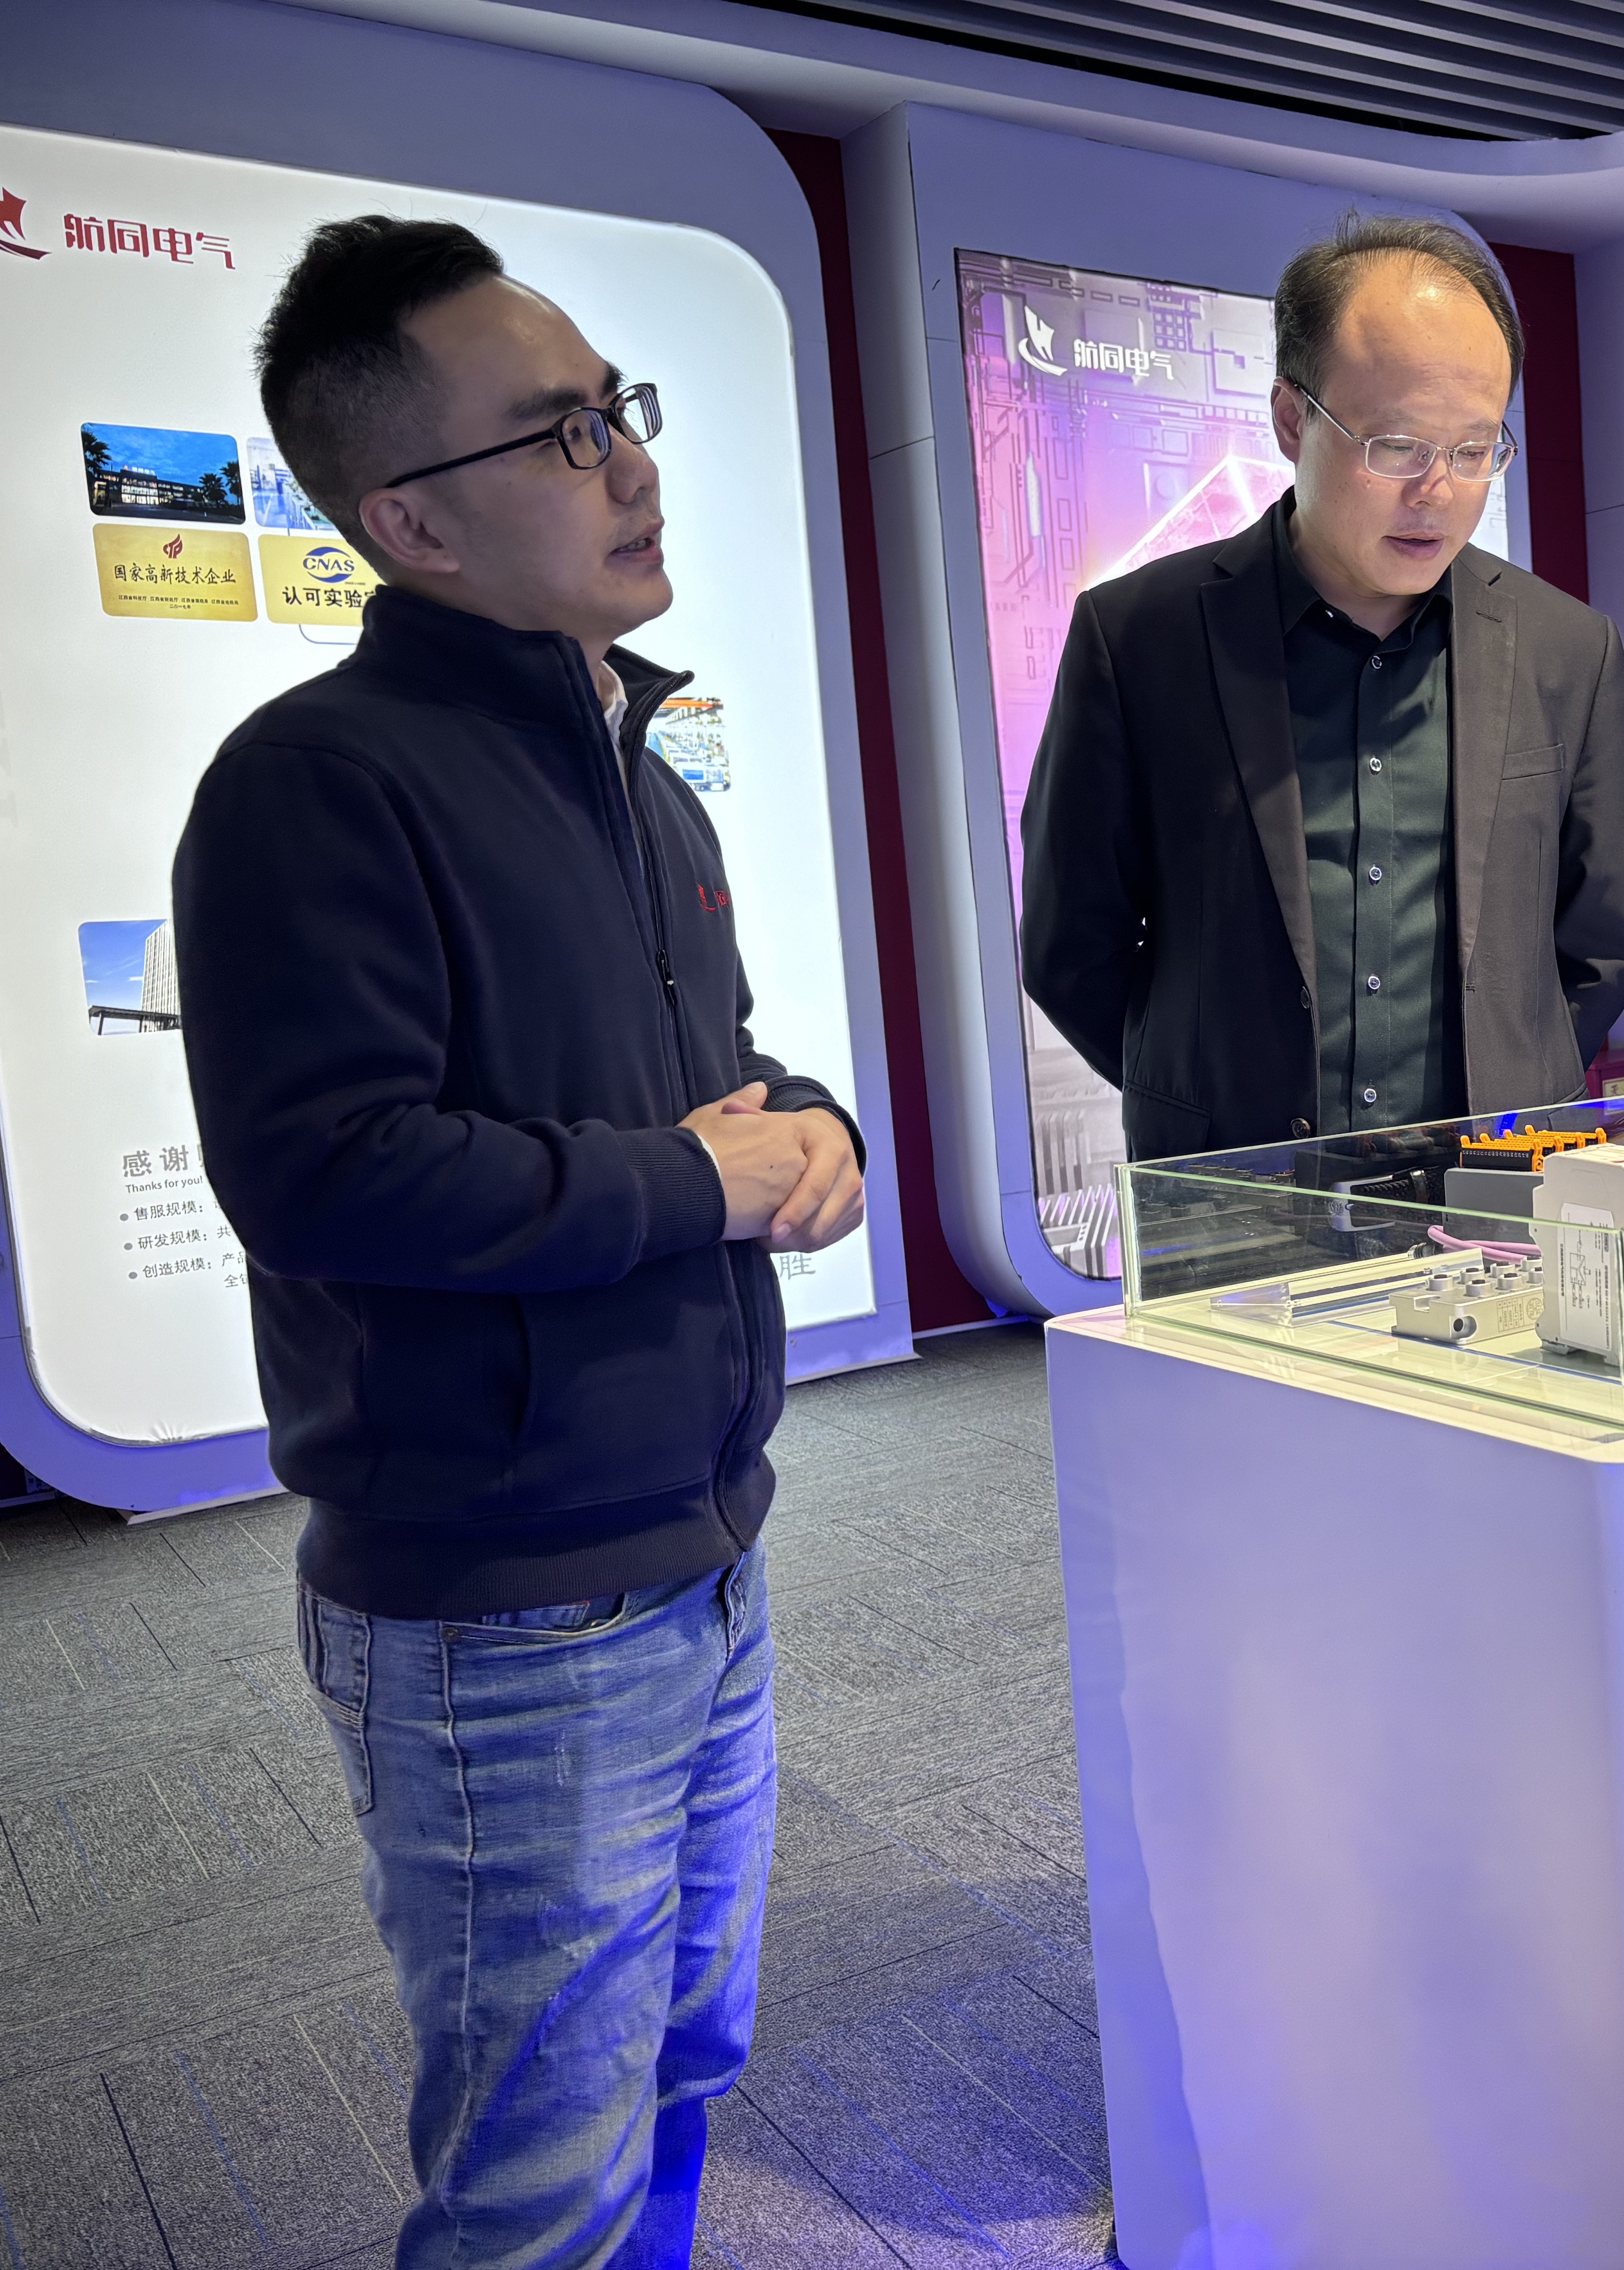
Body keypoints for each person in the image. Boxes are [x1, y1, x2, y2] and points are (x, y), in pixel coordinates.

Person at [173, 216, 865, 2268]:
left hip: (705, 1543)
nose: (630, 462)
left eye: (614, 410)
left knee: (683, 2066)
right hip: (504, 1612)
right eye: (560, 433)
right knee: (535, 2178)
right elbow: (328, 1171)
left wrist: (809, 1121)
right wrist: (697, 1183)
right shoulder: (313, 788)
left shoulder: (647, 783)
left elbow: (702, 1074)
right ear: (410, 521)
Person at [1019, 214, 1624, 1157]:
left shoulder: (1568, 651)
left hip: (1498, 1190)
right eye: (1397, 446)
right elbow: (1073, 949)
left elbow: (1598, 950)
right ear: (1291, 418)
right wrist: (1205, 1100)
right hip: (1241, 1195)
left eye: (1474, 449)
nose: (1437, 490)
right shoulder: (1139, 638)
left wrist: (1510, 1083)